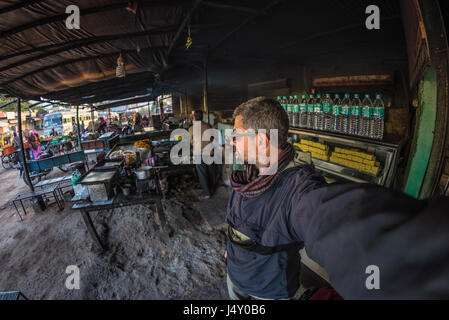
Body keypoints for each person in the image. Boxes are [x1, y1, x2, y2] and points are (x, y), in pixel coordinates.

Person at [225, 97, 449, 300]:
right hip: (234, 274)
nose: (233, 141)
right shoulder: (247, 171)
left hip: (267, 291)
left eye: (237, 135)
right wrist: (232, 249)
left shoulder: (299, 189)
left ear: (262, 141)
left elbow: (335, 221)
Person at [188, 110, 215, 200]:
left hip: (199, 153)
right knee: (211, 171)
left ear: (194, 117)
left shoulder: (191, 129)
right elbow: (212, 137)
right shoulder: (208, 126)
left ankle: (207, 193)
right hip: (209, 152)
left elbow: (191, 141)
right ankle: (212, 189)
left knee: (202, 173)